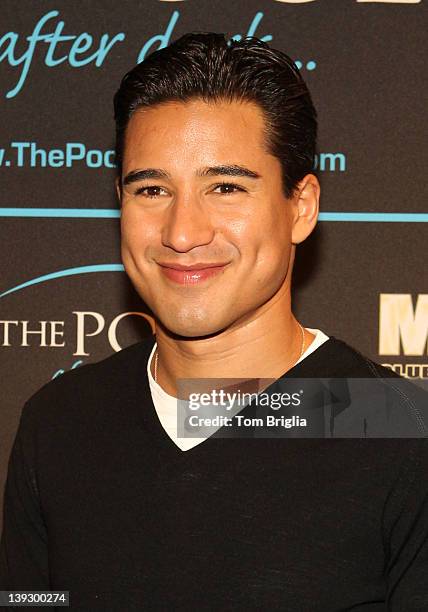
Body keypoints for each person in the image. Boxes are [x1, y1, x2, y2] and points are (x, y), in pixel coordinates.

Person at [1, 32, 427, 610]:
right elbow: (28, 601)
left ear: (300, 206)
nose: (182, 232)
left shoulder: (399, 428)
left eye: (226, 187)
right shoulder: (61, 420)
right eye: (151, 189)